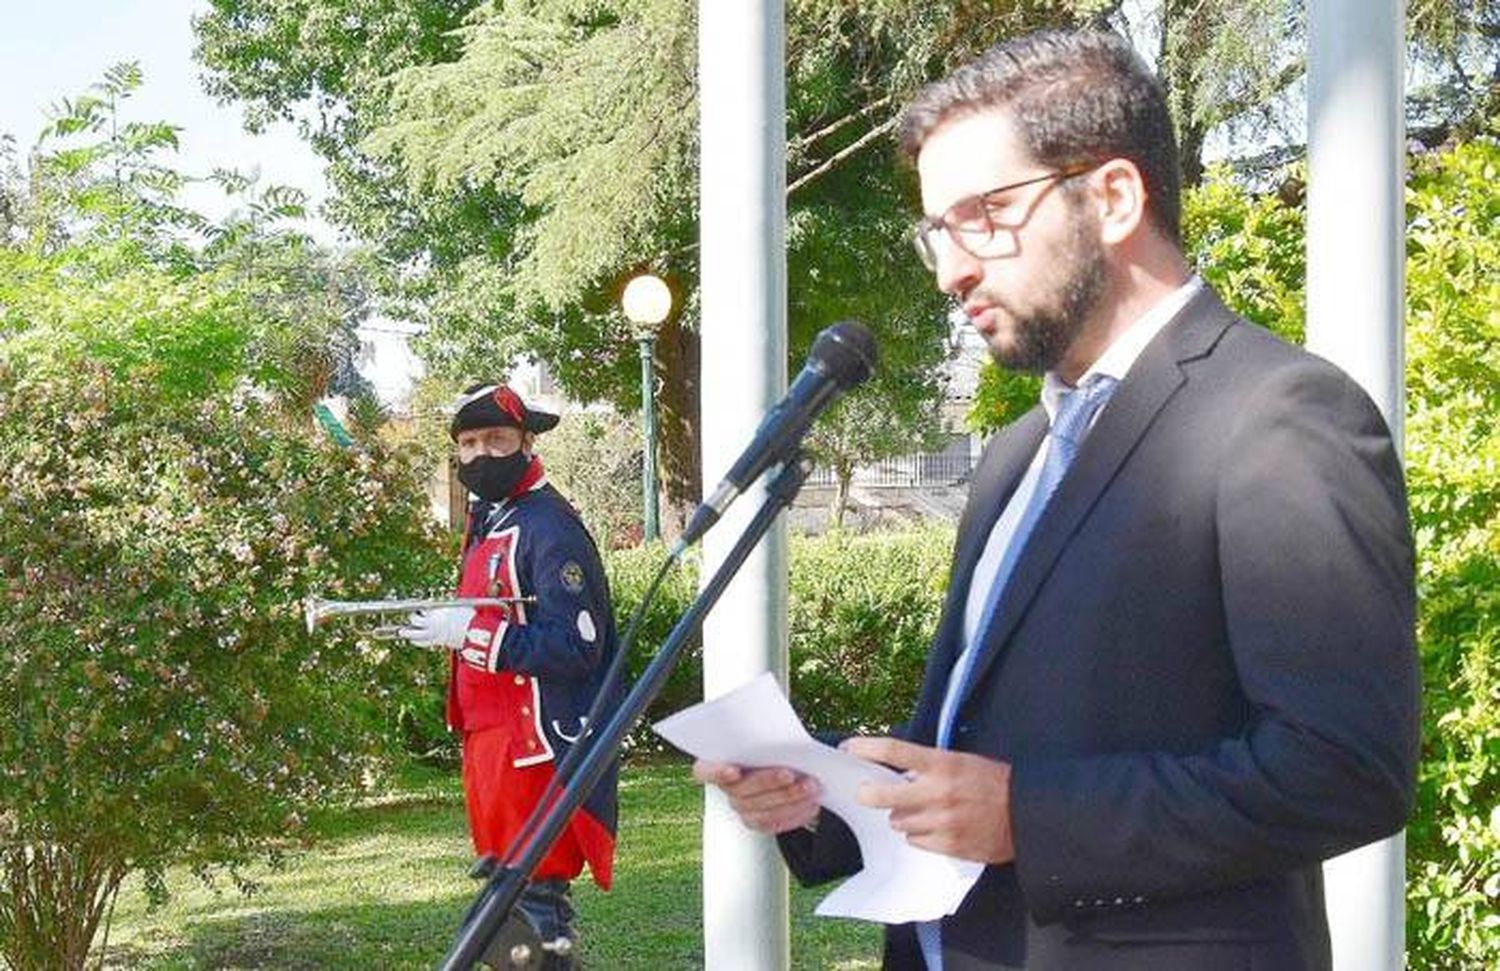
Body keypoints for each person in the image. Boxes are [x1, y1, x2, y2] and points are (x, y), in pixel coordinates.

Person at [694, 28, 1419, 971]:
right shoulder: (1013, 456)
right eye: (936, 232)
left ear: (1113, 197)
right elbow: (977, 740)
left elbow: (1345, 768)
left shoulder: (1280, 416)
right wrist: (826, 790)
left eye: (984, 213)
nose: (952, 268)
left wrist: (1026, 819)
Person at [400, 382, 620, 969]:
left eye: (495, 439)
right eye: (468, 443)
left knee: (533, 904)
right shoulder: (494, 519)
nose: (480, 455)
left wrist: (468, 634)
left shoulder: (549, 525)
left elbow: (579, 645)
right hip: (491, 743)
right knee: (508, 901)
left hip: (532, 746)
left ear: (526, 441)